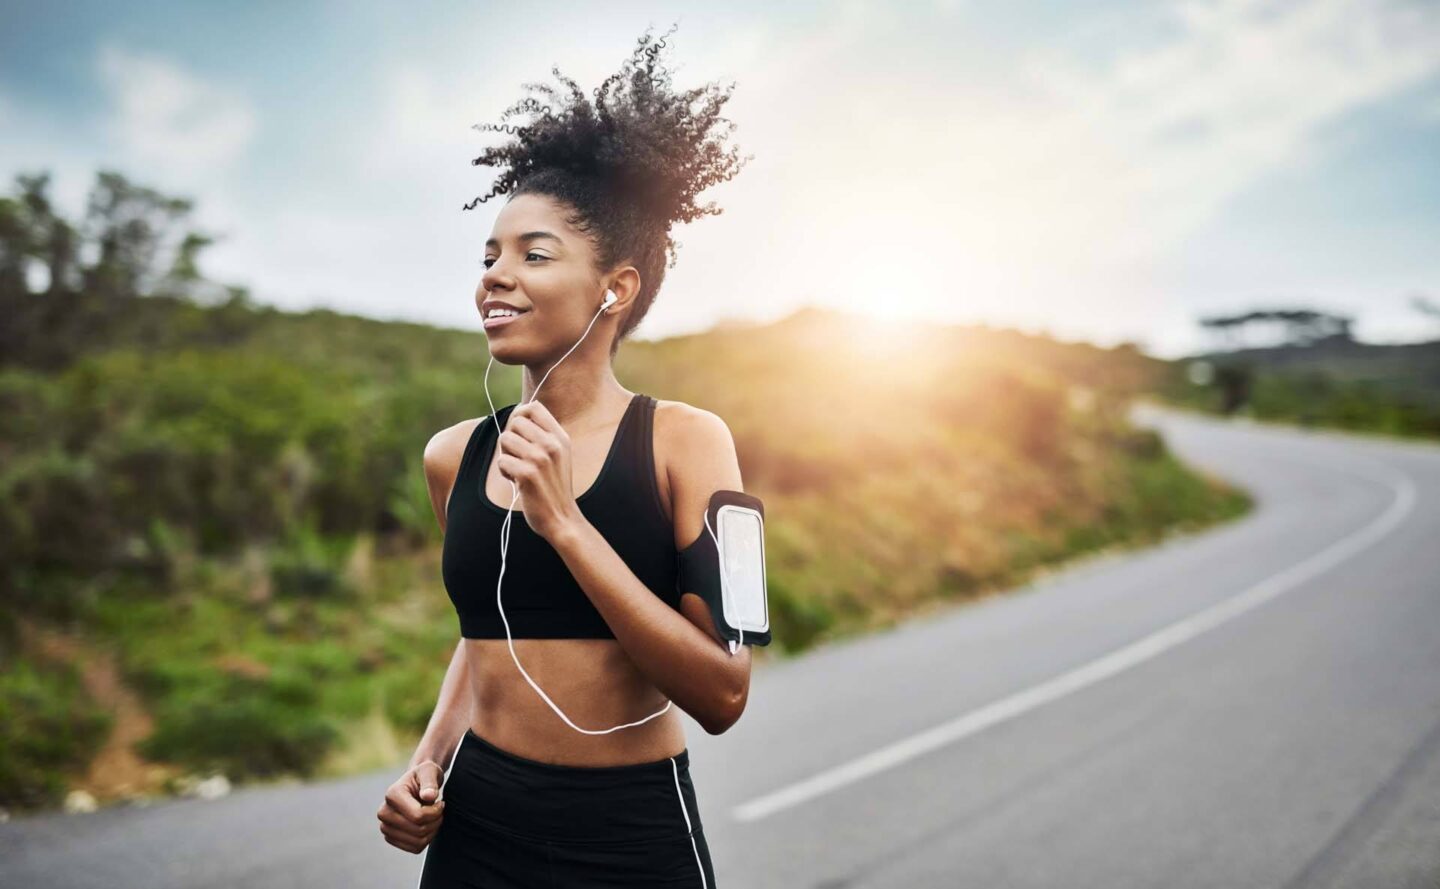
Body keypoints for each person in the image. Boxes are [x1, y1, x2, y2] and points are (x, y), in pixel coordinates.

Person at [375, 26, 753, 888]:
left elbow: (725, 694)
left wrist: (566, 524)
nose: (494, 276)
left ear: (614, 287)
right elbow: (484, 639)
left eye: (532, 254)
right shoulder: (453, 456)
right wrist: (428, 762)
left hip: (629, 830)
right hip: (475, 822)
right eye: (489, 255)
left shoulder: (689, 441)